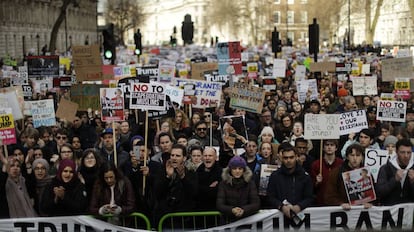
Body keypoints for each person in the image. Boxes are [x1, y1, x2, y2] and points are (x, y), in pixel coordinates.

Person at [153, 144, 198, 224]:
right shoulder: (162, 170)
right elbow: (157, 192)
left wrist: (183, 177)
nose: (174, 158)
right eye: (172, 155)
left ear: (184, 158)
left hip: (184, 219)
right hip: (165, 218)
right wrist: (167, 177)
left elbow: (193, 193)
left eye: (177, 156)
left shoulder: (191, 172)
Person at [267, 145, 313, 219]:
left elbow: (309, 197)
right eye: (285, 158)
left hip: (300, 215)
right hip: (279, 217)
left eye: (291, 157)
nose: (288, 160)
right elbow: (270, 197)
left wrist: (299, 206)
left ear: (296, 157)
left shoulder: (305, 176)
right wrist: (281, 206)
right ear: (282, 158)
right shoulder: (275, 176)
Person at [325, 144, 372, 210]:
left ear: (362, 157)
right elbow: (329, 196)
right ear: (347, 157)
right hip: (344, 211)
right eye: (352, 155)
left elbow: (374, 194)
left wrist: (370, 202)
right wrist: (340, 203)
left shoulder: (366, 173)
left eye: (358, 155)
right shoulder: (336, 172)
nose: (355, 158)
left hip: (363, 211)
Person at [216, 156, 260, 223]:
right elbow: (219, 204)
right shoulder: (223, 184)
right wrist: (232, 210)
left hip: (247, 221)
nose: (237, 171)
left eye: (240, 168)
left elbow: (256, 203)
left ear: (244, 170)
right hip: (228, 222)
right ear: (230, 169)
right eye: (234, 168)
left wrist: (244, 210)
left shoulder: (250, 183)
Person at [376, 139, 414, 205]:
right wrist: (394, 180)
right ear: (396, 152)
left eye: (409, 152)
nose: (406, 156)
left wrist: (412, 182)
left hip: (409, 211)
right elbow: (379, 192)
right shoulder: (385, 168)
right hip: (390, 210)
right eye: (402, 152)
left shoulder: (413, 168)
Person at [310, 140, 343, 206]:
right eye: (327, 145)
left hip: (338, 202)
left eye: (332, 145)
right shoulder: (316, 164)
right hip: (321, 202)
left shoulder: (341, 163)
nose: (329, 147)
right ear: (323, 147)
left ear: (336, 148)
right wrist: (317, 182)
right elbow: (311, 186)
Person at [196, 147, 222, 211]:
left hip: (216, 210)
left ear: (216, 157)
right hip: (200, 210)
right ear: (202, 157)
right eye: (205, 156)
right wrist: (210, 188)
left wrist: (203, 188)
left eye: (210, 156)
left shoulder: (221, 171)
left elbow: (218, 192)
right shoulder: (198, 171)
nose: (207, 158)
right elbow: (195, 191)